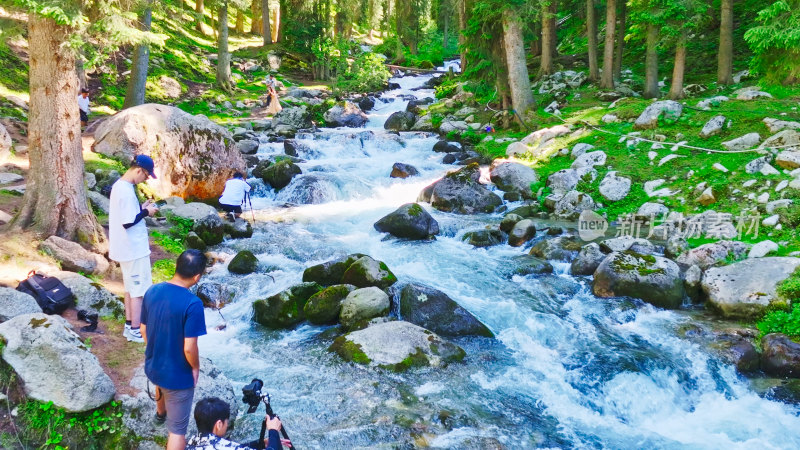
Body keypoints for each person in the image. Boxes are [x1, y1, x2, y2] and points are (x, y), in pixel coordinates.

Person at [140, 249, 208, 450]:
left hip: (154, 366)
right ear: (196, 277)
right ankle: (166, 419)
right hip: (177, 377)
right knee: (177, 431)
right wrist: (195, 368)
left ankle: (160, 413)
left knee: (160, 384)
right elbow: (189, 348)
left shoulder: (152, 290)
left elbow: (143, 329)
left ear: (176, 267)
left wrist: (154, 350)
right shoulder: (193, 304)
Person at [109, 154, 158, 343]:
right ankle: (136, 330)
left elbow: (127, 214)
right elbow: (129, 222)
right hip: (133, 249)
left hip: (125, 248)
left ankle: (130, 326)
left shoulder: (120, 186)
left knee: (130, 288)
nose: (145, 179)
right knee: (138, 291)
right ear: (138, 170)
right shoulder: (126, 190)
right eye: (146, 176)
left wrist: (141, 208)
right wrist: (147, 211)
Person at [186, 397, 286, 450]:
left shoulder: (191, 442)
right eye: (226, 423)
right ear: (219, 424)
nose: (227, 426)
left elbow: (227, 446)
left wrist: (260, 443)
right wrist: (273, 431)